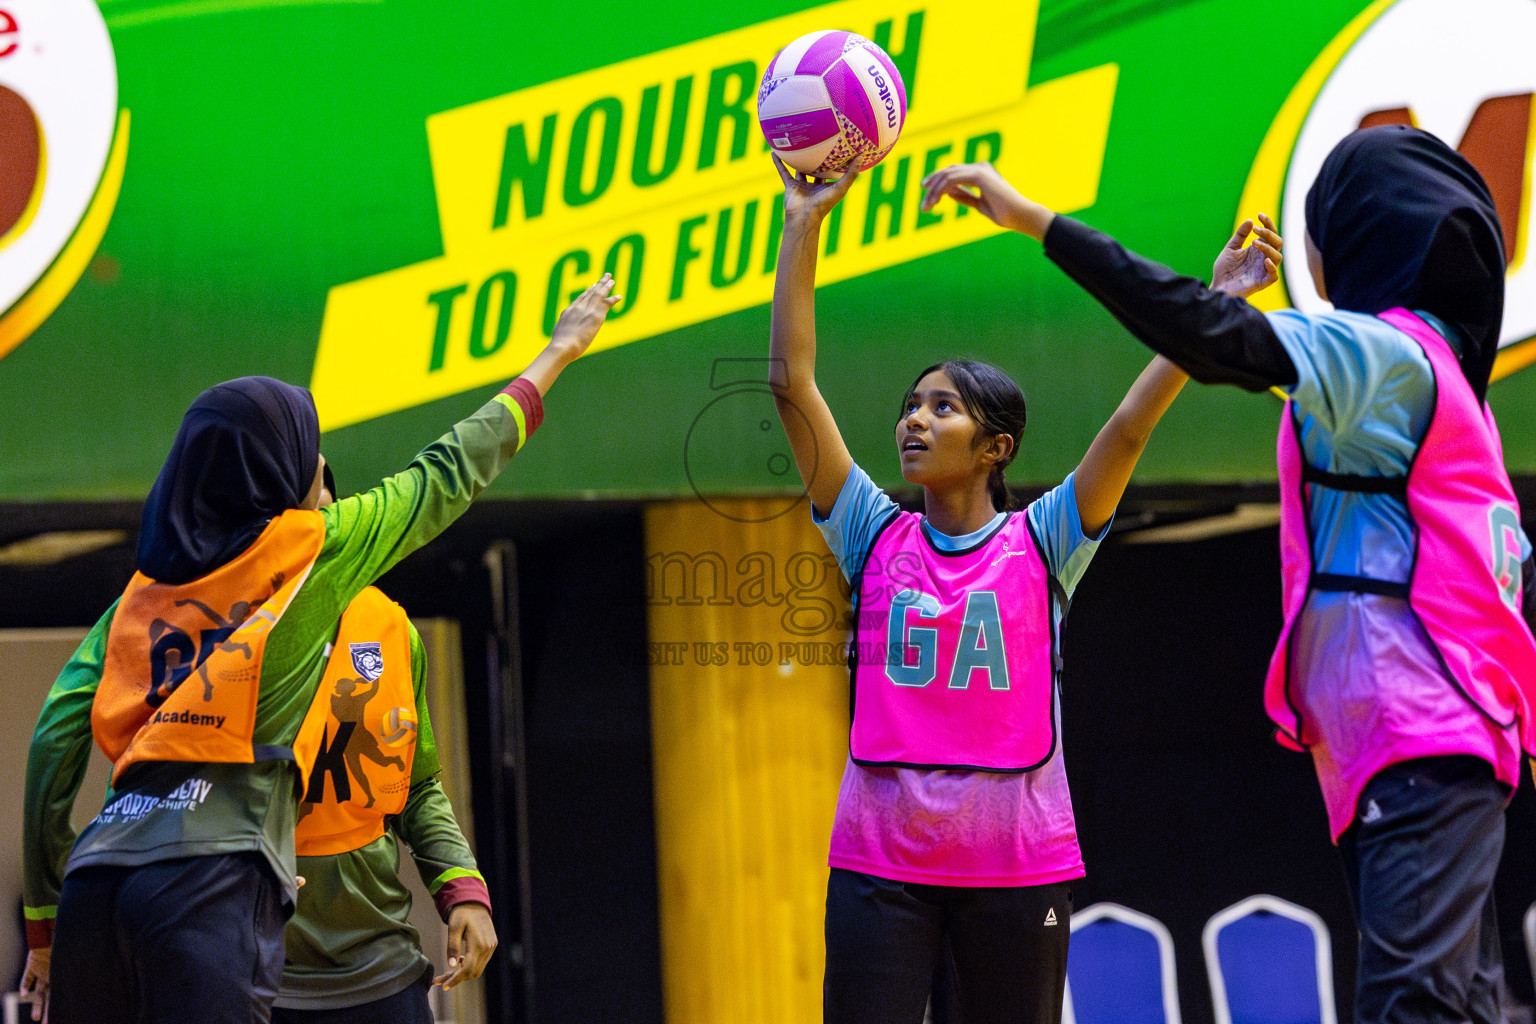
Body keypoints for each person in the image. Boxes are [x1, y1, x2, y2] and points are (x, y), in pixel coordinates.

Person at [919, 125, 1536, 1023]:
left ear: (1365, 233)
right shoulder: (1439, 379)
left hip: (1418, 732)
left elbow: (1217, 340)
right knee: (1458, 1004)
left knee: (1418, 1008)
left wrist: (1034, 221)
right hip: (1422, 740)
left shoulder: (1384, 359)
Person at [19, 275, 621, 1024]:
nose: (329, 496)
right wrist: (556, 356)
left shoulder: (145, 597)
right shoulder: (315, 554)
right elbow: (450, 470)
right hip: (220, 903)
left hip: (110, 881)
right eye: (313, 470)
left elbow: (54, 737)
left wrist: (43, 924)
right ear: (291, 492)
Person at [767, 153, 1280, 1024]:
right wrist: (803, 220)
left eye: (942, 407)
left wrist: (1214, 306)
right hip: (878, 870)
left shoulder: (1043, 542)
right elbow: (790, 384)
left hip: (1017, 868)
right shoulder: (869, 530)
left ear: (996, 445)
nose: (913, 420)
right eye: (910, 405)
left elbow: (1128, 426)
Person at [271, 463, 495, 1024]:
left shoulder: (390, 628)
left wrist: (462, 887)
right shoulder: (223, 627)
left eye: (326, 510)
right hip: (253, 971)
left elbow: (416, 786)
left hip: (380, 967)